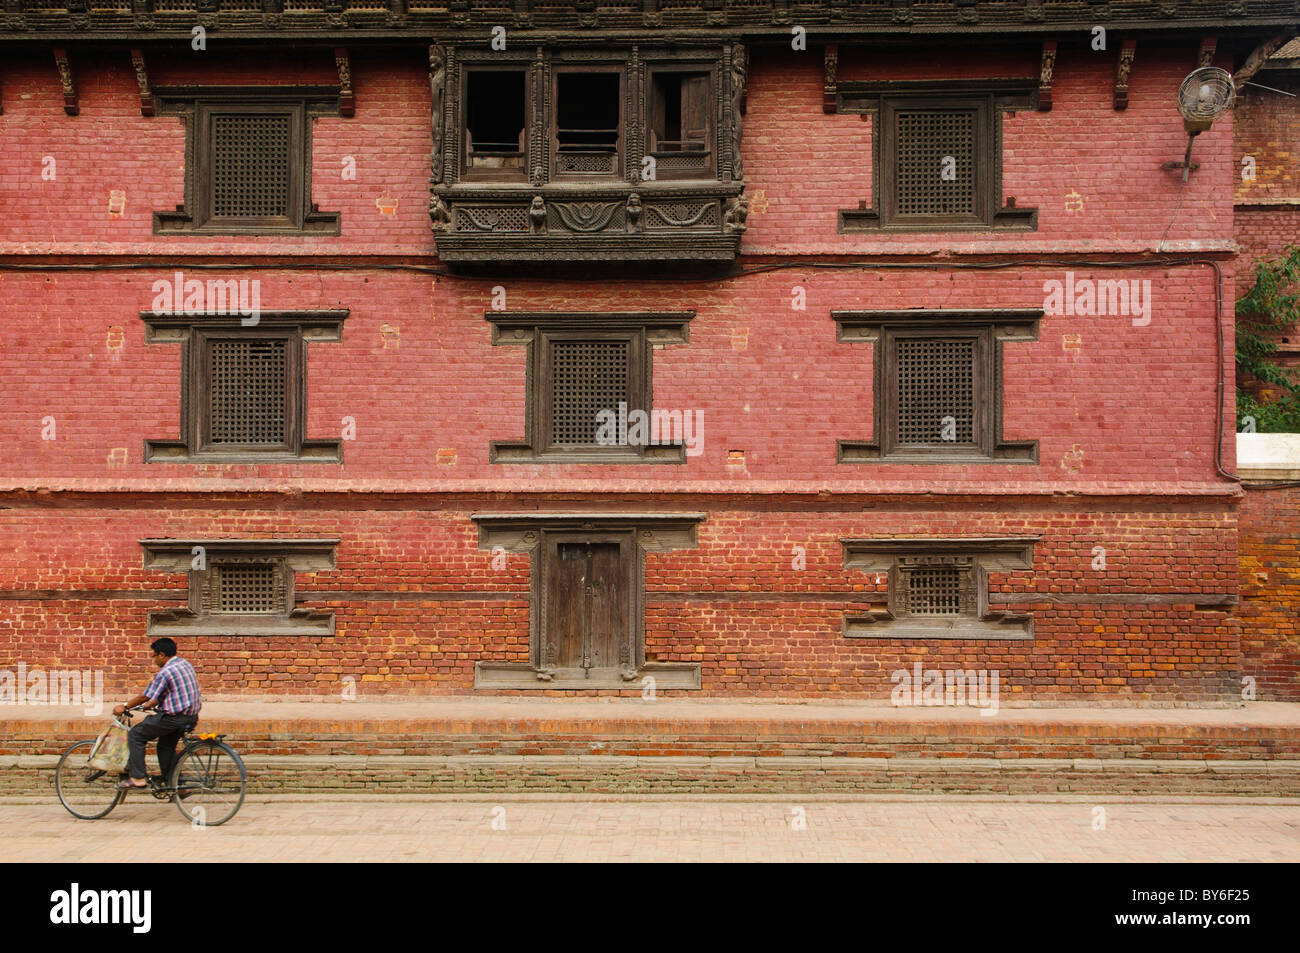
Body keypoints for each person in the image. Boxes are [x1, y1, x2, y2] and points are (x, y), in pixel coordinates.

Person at [113, 638, 202, 790]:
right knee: (165, 747)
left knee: (136, 735)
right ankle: (177, 785)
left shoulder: (165, 672)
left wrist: (125, 706)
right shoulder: (184, 664)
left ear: (161, 655)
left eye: (153, 656)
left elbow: (145, 696)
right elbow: (174, 690)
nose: (153, 660)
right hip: (191, 717)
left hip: (173, 719)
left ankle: (138, 778)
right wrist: (153, 703)